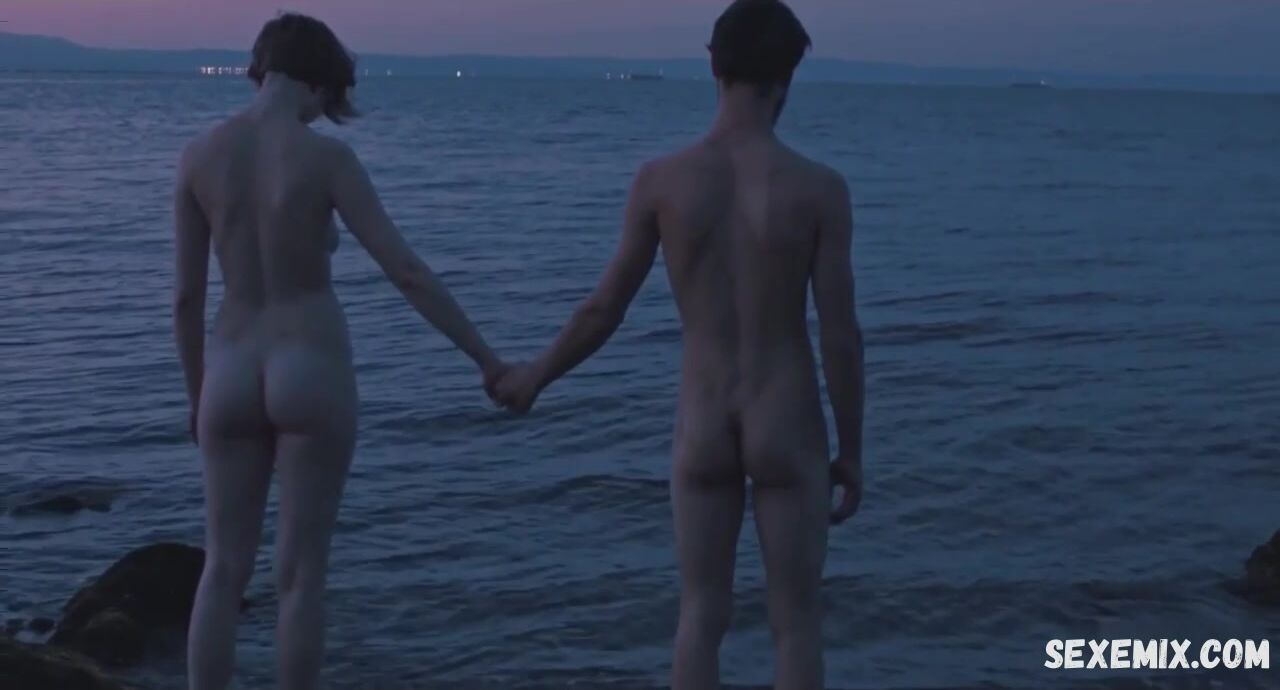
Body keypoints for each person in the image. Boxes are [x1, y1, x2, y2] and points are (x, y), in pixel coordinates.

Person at [492, 1, 865, 688]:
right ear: (786, 79)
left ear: (714, 69)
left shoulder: (661, 182)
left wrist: (534, 376)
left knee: (700, 615)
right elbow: (840, 337)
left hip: (702, 423)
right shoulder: (819, 189)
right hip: (785, 418)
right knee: (795, 623)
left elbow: (603, 309)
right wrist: (852, 450)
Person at [174, 13, 505, 690]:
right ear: (321, 85)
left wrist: (195, 394)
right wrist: (486, 359)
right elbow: (405, 271)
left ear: (261, 70)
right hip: (309, 363)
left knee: (222, 569)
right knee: (299, 576)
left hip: (229, 369)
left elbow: (184, 299)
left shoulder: (199, 155)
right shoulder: (326, 159)